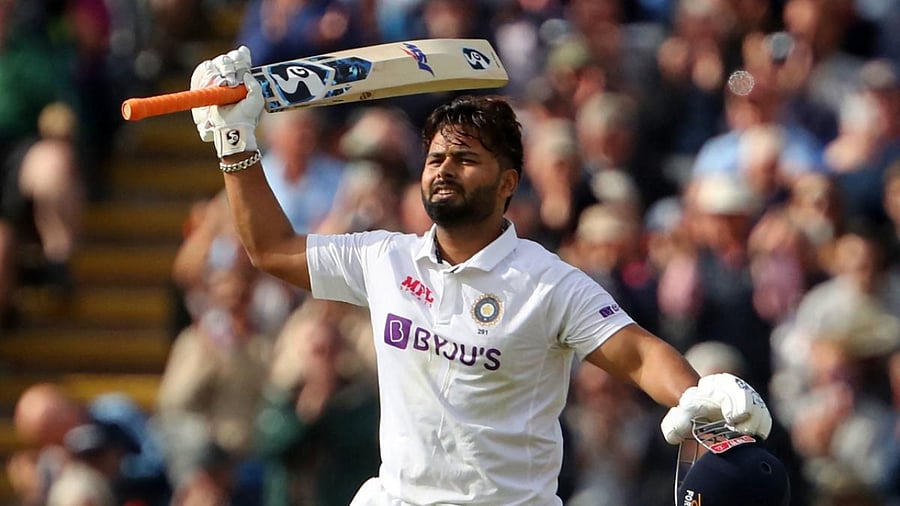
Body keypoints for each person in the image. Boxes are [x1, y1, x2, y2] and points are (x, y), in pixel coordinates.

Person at [187, 46, 774, 505]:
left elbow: (639, 354)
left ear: (508, 182)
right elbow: (271, 249)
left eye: (466, 159)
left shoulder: (546, 282)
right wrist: (236, 141)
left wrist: (697, 394)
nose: (445, 169)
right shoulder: (384, 259)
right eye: (436, 158)